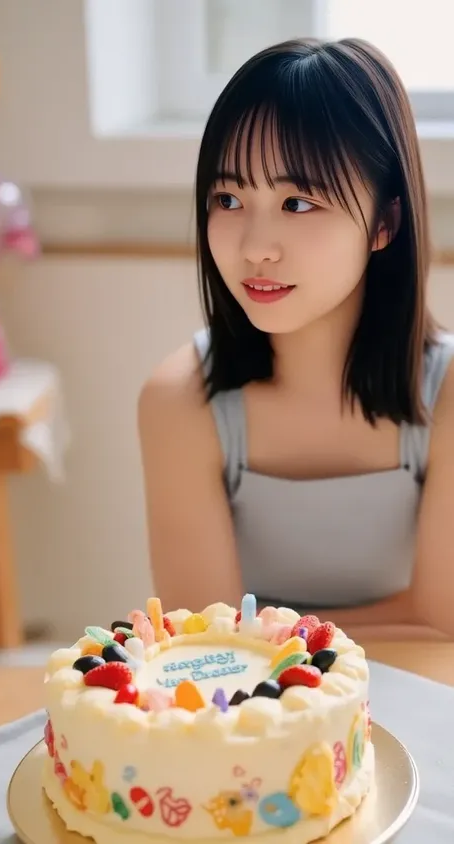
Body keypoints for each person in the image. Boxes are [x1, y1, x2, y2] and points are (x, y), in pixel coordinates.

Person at [138, 37, 454, 642]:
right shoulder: (180, 401)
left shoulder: (446, 395)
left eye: (297, 202)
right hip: (248, 720)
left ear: (384, 223)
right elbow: (207, 646)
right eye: (228, 198)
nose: (256, 246)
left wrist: (263, 634)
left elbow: (441, 626)